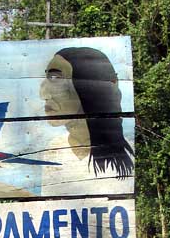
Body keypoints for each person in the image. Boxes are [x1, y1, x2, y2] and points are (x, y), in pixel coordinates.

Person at [40, 46, 134, 180]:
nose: (43, 94)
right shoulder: (54, 149)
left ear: (90, 89)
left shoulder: (128, 153)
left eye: (56, 78)